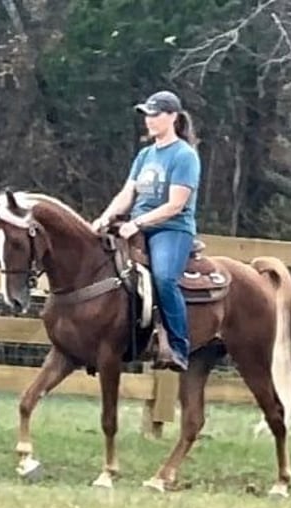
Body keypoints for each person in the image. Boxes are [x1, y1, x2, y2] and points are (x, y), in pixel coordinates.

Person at [92, 90, 201, 372]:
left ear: (173, 117)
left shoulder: (184, 156)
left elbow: (175, 205)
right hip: (136, 226)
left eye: (156, 115)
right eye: (147, 115)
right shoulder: (145, 155)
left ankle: (178, 347)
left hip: (171, 230)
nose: (149, 121)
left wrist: (137, 223)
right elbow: (127, 194)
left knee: (164, 278)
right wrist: (105, 217)